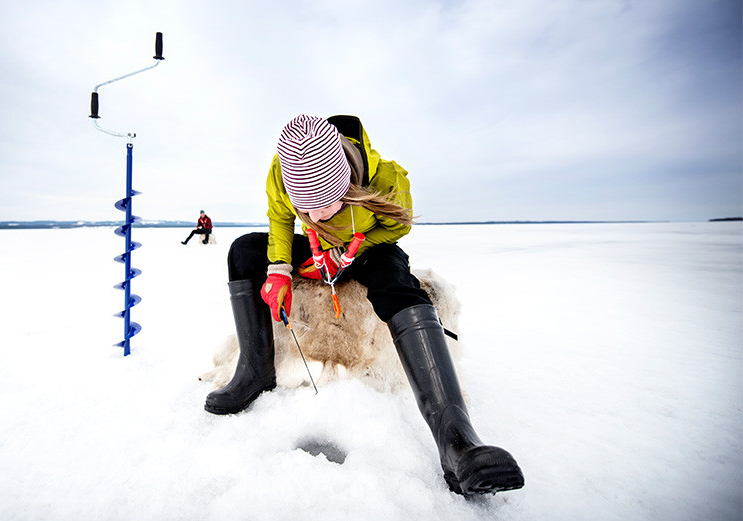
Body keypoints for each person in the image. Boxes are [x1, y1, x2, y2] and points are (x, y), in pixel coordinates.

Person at [204, 114, 524, 496]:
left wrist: (350, 252)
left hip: (369, 246)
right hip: (316, 250)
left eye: (327, 206)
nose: (317, 217)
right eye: (306, 210)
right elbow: (279, 221)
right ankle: (255, 371)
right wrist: (279, 269)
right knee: (243, 251)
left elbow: (397, 226)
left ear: (349, 186)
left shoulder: (385, 179)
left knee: (396, 281)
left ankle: (456, 439)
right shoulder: (280, 171)